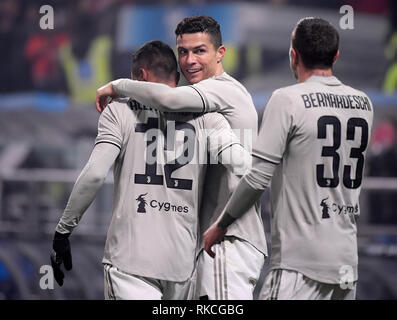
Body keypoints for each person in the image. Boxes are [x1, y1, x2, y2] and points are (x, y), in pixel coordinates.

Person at [51, 40, 252, 300]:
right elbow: (245, 168)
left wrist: (63, 230)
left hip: (130, 263)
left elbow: (95, 174)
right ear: (177, 77)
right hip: (180, 267)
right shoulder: (208, 117)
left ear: (141, 77)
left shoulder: (119, 112)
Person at [95, 15, 267, 300]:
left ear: (220, 53)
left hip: (227, 241)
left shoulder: (221, 91)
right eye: (183, 52)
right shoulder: (209, 97)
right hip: (216, 240)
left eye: (200, 50)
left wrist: (117, 86)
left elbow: (168, 100)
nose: (189, 60)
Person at [204, 17, 374, 300]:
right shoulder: (363, 103)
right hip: (346, 263)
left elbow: (258, 177)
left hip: (300, 264)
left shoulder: (287, 100)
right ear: (336, 55)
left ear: (293, 55)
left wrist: (221, 225)